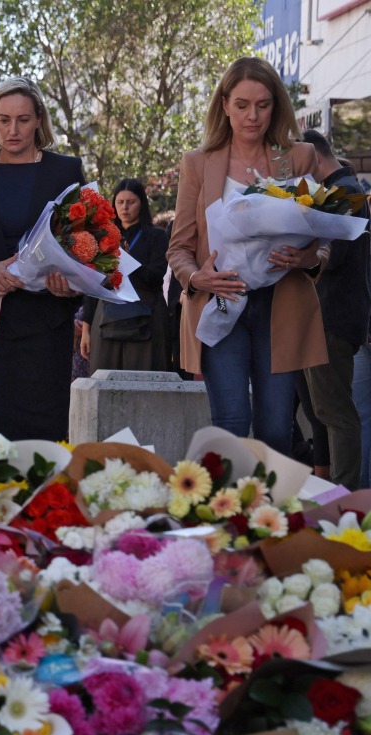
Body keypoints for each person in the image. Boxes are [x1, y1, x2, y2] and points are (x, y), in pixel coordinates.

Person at [168, 56, 326, 456]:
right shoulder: (198, 163)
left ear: (276, 106)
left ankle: (270, 516)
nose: (252, 116)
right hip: (222, 301)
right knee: (232, 423)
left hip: (281, 303)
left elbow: (325, 236)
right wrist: (195, 278)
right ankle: (227, 515)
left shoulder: (301, 157)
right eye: (242, 105)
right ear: (224, 105)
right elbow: (179, 247)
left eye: (263, 104)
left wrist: (307, 258)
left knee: (276, 426)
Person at [0, 76, 85, 441]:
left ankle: (46, 499)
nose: (13, 129)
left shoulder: (65, 171)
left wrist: (70, 286)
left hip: (47, 324)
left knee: (46, 430)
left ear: (39, 119)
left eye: (23, 119)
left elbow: (86, 242)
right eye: (4, 119)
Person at [299, 129, 369, 490]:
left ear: (312, 156)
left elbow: (330, 258)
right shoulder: (338, 192)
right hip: (327, 318)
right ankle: (333, 492)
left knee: (336, 413)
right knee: (321, 412)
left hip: (334, 319)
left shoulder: (347, 194)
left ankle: (344, 496)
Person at [81, 179, 171, 373]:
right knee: (103, 379)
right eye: (120, 202)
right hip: (106, 315)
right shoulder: (103, 235)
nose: (125, 207)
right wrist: (86, 327)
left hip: (146, 314)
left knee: (145, 378)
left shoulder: (157, 236)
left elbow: (156, 277)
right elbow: (92, 281)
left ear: (142, 204)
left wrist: (128, 261)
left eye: (131, 202)